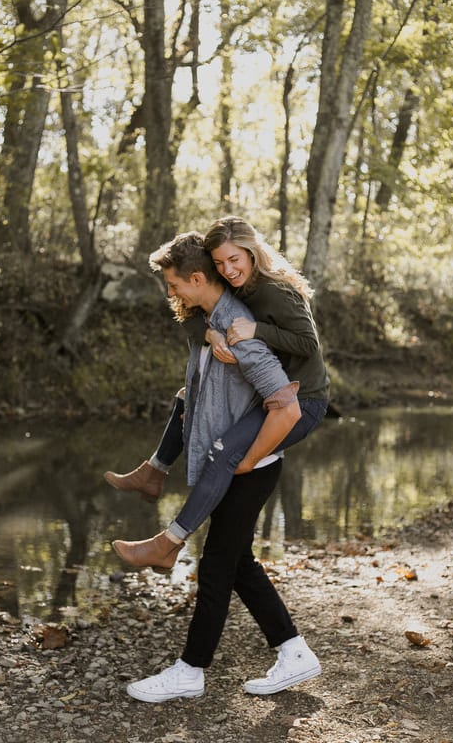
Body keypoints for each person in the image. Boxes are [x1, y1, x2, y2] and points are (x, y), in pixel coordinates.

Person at [118, 231, 321, 701]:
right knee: (238, 563)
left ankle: (190, 669)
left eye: (174, 285)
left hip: (254, 462)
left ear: (195, 278)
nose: (172, 294)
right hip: (245, 461)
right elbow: (206, 373)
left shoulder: (237, 325)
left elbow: (284, 404)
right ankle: (293, 651)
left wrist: (245, 458)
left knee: (216, 567)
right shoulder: (211, 320)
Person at [106, 217, 329, 570]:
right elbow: (198, 311)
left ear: (252, 252)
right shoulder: (235, 285)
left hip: (304, 398)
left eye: (234, 260)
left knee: (224, 455)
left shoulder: (275, 292)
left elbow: (308, 343)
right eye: (220, 263)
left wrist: (257, 330)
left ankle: (170, 542)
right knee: (187, 397)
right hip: (271, 389)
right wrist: (210, 334)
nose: (227, 270)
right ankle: (155, 471)